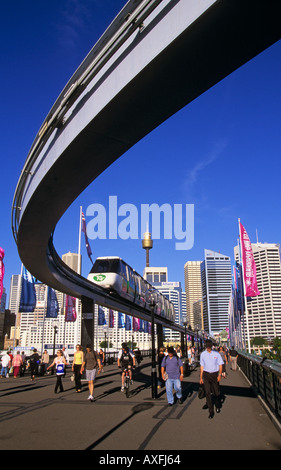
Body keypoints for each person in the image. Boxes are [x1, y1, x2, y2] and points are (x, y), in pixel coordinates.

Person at [200, 340, 224, 419]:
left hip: (214, 374)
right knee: (207, 393)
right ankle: (211, 411)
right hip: (206, 374)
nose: (208, 348)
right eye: (207, 346)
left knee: (216, 392)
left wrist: (219, 374)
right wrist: (201, 377)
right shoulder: (203, 354)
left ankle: (217, 405)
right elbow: (202, 366)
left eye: (209, 346)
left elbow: (220, 364)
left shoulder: (216, 354)